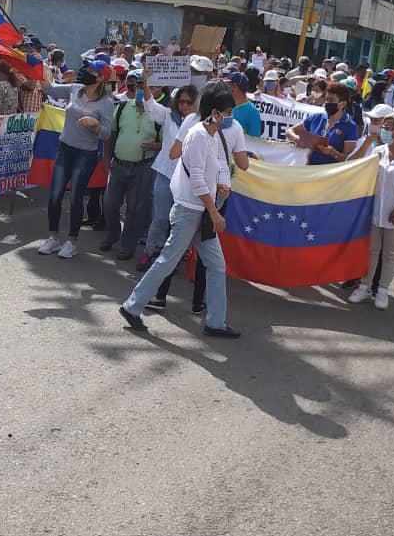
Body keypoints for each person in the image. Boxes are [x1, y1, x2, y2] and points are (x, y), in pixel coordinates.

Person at [119, 81, 241, 339]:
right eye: (225, 111)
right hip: (190, 210)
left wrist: (224, 184)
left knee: (216, 266)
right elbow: (196, 178)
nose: (229, 116)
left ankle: (215, 322)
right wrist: (215, 211)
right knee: (168, 260)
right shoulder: (198, 134)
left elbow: (221, 164)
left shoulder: (213, 133)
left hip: (202, 211)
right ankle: (133, 305)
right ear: (214, 111)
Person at [347, 112, 394, 310]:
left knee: (389, 253)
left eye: (388, 128)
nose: (383, 131)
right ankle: (364, 287)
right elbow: (359, 170)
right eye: (383, 127)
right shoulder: (378, 151)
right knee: (371, 251)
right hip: (375, 212)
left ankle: (382, 290)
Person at [37, 60, 114, 259]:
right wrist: (35, 70)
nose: (85, 71)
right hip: (65, 149)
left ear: (100, 78)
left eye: (91, 70)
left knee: (75, 198)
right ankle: (52, 238)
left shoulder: (106, 102)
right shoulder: (75, 89)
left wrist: (95, 124)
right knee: (55, 194)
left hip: (85, 154)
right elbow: (52, 89)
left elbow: (106, 134)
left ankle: (72, 241)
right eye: (87, 68)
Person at [101, 68, 165, 260]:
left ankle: (127, 246)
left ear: (154, 91)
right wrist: (106, 158)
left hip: (143, 167)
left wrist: (154, 145)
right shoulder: (122, 107)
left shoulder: (159, 115)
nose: (140, 90)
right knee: (110, 203)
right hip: (119, 165)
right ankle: (112, 234)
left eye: (145, 86)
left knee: (135, 209)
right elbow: (111, 134)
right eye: (137, 85)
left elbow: (167, 143)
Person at [143, 85, 199, 270]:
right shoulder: (168, 116)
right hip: (166, 174)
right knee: (160, 218)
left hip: (187, 179)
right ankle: (150, 251)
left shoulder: (201, 123)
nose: (184, 105)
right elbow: (150, 105)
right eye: (181, 101)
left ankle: (172, 258)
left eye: (189, 102)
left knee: (179, 221)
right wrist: (145, 81)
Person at [286, 82, 358, 165]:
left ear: (342, 104)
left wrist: (332, 152)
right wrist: (296, 138)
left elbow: (349, 161)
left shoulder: (350, 127)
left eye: (331, 100)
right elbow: (290, 131)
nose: (327, 103)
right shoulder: (316, 117)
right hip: (308, 168)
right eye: (326, 99)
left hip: (330, 174)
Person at [225, 71, 262, 138]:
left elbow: (255, 141)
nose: (225, 88)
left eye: (228, 85)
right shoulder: (225, 107)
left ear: (235, 86)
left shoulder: (252, 112)